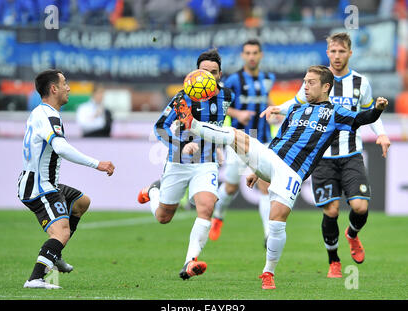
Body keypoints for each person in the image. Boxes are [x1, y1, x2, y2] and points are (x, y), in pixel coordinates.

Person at [173, 65, 388, 289]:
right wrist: (257, 169)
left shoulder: (335, 112)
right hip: (271, 157)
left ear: (326, 87)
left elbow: (363, 117)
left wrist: (378, 109)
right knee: (235, 135)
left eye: (311, 82)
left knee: (276, 221)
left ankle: (268, 272)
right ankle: (193, 125)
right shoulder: (296, 109)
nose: (305, 86)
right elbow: (280, 139)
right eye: (304, 81)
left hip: (292, 172)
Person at [263, 32, 391, 278]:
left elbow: (367, 114)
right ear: (327, 53)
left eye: (342, 51)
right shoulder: (316, 80)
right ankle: (334, 261)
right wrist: (279, 108)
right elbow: (297, 101)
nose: (337, 56)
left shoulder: (360, 83)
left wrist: (382, 134)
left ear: (350, 53)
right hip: (322, 155)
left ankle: (352, 235)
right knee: (331, 211)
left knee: (360, 207)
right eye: (333, 51)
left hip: (351, 152)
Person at [137, 49, 235, 280]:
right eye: (203, 72)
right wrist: (181, 145)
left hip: (207, 163)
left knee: (206, 207)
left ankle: (189, 262)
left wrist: (219, 144)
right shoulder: (182, 97)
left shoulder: (227, 96)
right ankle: (152, 191)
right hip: (179, 162)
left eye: (212, 73)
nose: (206, 77)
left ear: (219, 75)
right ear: (194, 73)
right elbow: (160, 127)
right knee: (163, 217)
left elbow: (218, 124)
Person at [19, 69, 115, 289]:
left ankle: (55, 252)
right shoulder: (48, 115)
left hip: (45, 183)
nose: (69, 88)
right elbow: (60, 148)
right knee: (61, 232)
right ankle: (35, 278)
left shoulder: (40, 112)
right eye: (65, 83)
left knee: (82, 203)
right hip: (39, 186)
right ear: (54, 88)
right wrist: (97, 163)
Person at [209, 39, 276, 244]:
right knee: (230, 188)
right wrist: (238, 112)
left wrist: (275, 110)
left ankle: (268, 234)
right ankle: (218, 216)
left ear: (261, 55)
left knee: (265, 186)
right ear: (242, 56)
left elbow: (266, 99)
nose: (251, 56)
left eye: (255, 52)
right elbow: (218, 104)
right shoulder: (233, 80)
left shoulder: (268, 78)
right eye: (247, 53)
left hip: (263, 140)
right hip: (238, 140)